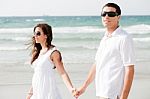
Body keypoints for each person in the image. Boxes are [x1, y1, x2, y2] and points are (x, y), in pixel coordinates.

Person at [75, 3, 135, 99]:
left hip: (113, 94)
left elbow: (129, 69)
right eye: (104, 14)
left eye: (111, 14)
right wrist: (83, 87)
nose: (106, 16)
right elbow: (97, 64)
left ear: (118, 17)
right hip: (102, 92)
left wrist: (124, 97)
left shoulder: (124, 38)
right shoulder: (105, 37)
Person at [26, 23, 76, 99]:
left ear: (46, 36)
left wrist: (71, 89)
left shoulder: (53, 53)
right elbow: (37, 75)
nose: (35, 36)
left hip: (48, 93)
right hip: (37, 93)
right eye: (35, 33)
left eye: (38, 33)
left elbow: (62, 73)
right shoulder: (37, 53)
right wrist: (30, 93)